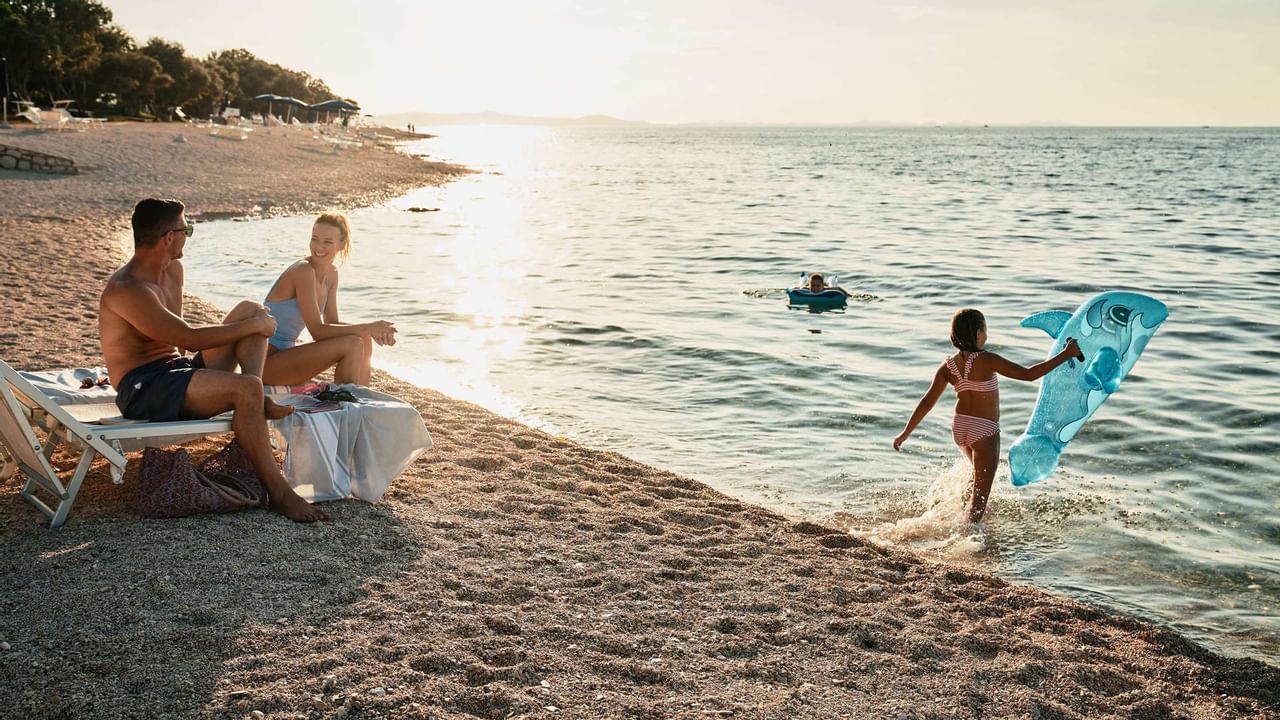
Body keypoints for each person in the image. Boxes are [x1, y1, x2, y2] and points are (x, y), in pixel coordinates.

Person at [99, 198, 327, 522]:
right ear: (168, 238)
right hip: (144, 388)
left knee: (250, 308)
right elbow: (186, 337)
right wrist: (255, 328)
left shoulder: (172, 271)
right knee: (245, 382)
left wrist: (252, 323)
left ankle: (257, 396)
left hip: (174, 372)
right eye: (186, 229)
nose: (188, 235)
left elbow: (176, 344)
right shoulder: (128, 289)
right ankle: (280, 493)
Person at [892, 308, 1082, 523]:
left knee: (977, 478)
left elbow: (927, 402)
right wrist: (1066, 354)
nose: (987, 334)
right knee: (979, 502)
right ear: (978, 333)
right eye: (985, 330)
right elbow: (1029, 375)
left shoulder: (948, 366)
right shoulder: (987, 360)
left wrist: (905, 433)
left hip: (960, 427)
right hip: (984, 429)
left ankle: (961, 515)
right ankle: (966, 539)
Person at [260, 213, 396, 387]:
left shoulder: (332, 274)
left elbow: (332, 323)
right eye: (315, 239)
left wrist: (370, 330)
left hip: (286, 357)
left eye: (327, 242)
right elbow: (318, 332)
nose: (318, 246)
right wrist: (370, 326)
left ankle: (361, 396)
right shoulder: (303, 270)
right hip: (265, 362)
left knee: (362, 336)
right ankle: (346, 401)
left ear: (342, 244)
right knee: (353, 343)